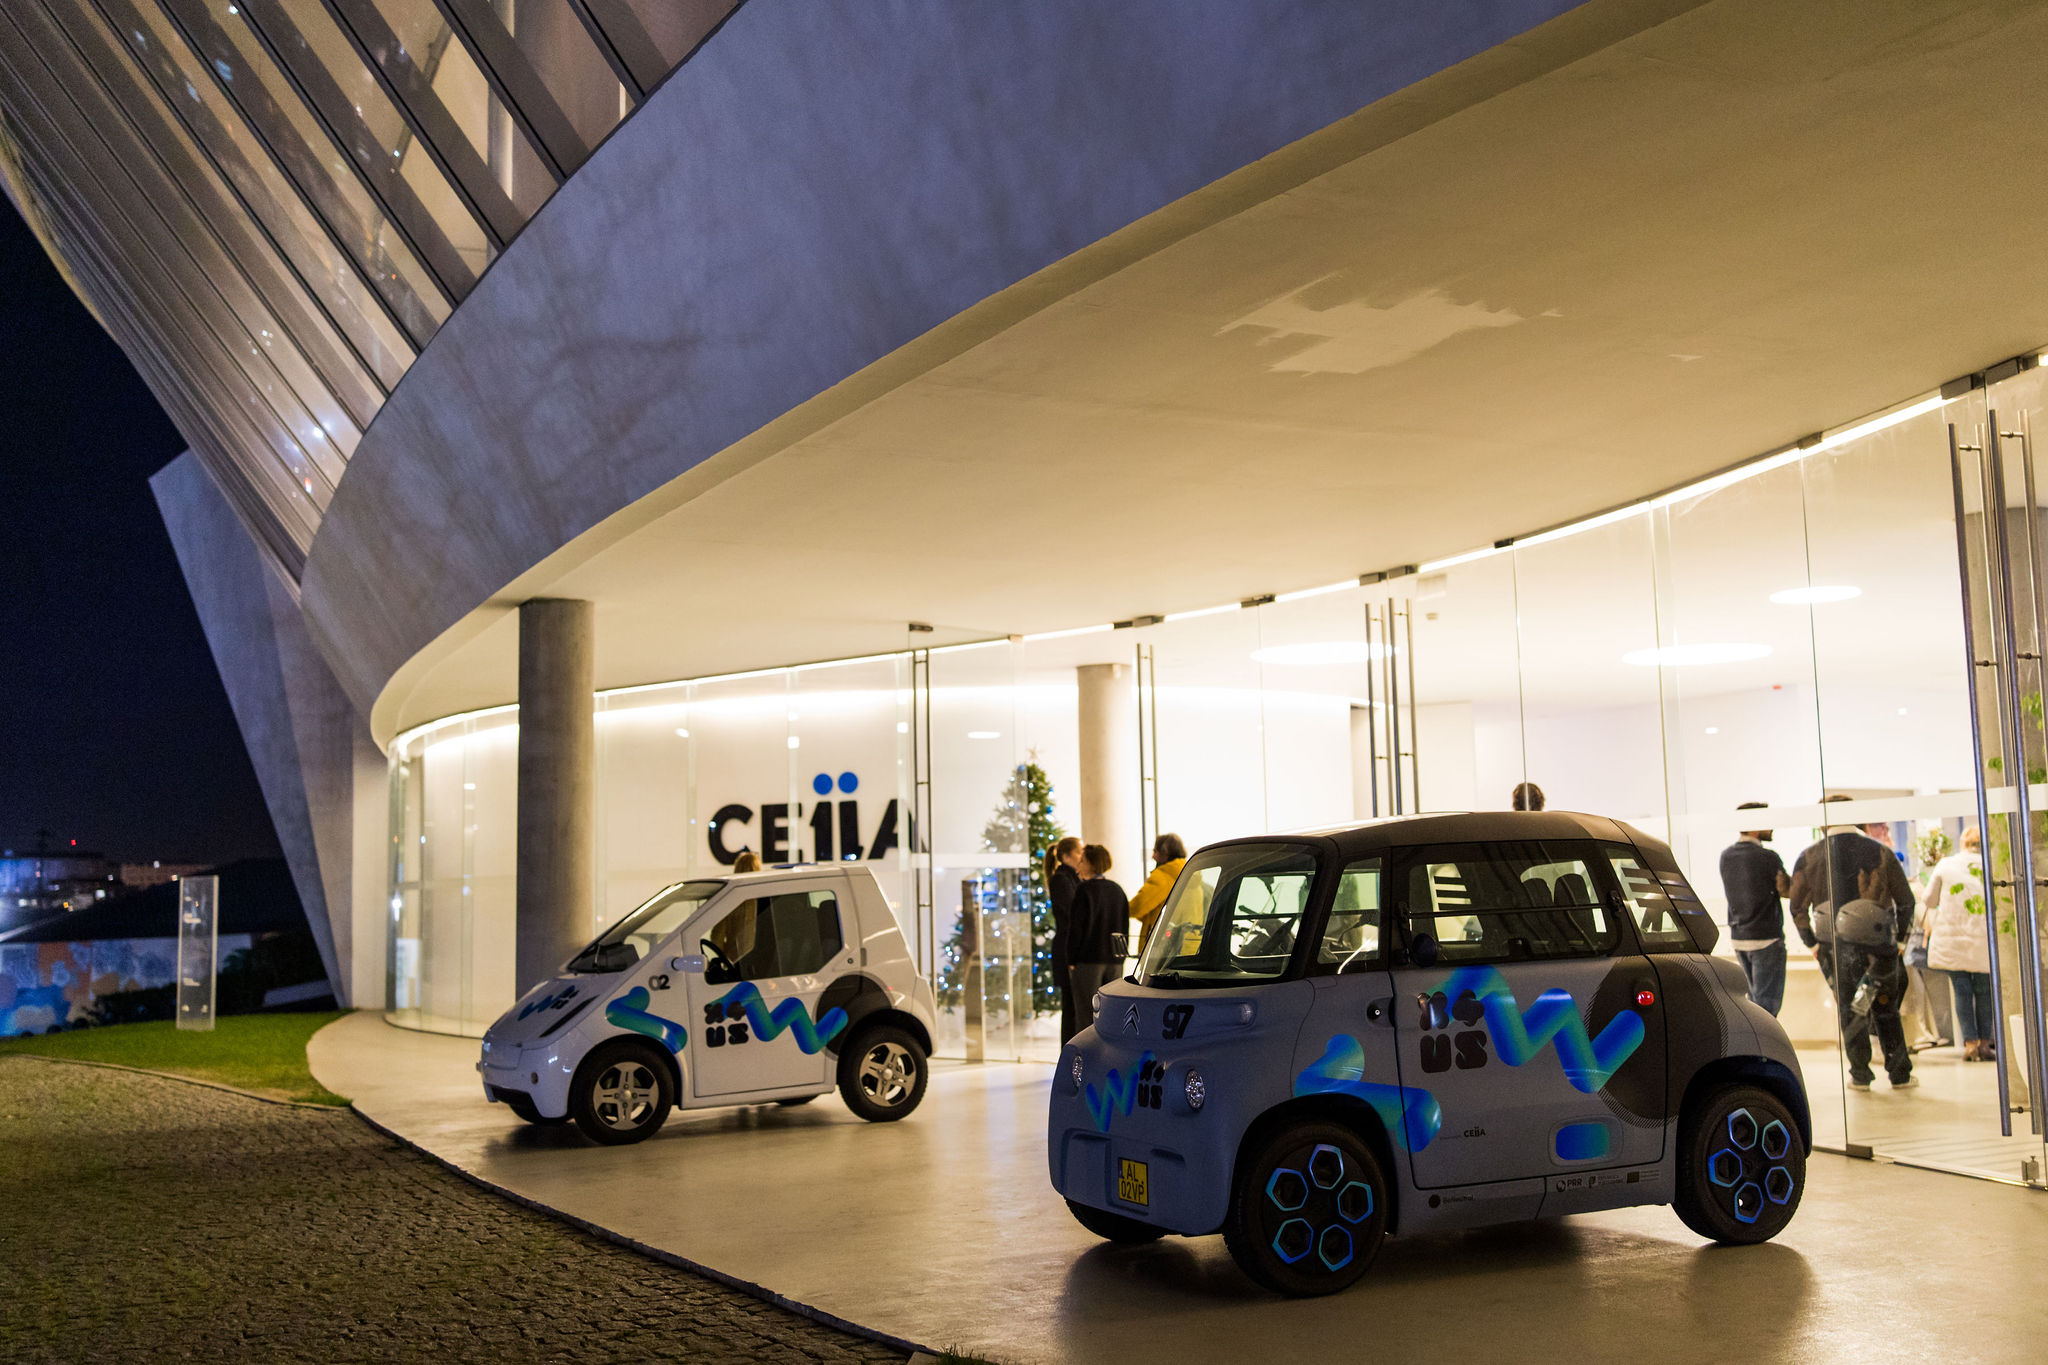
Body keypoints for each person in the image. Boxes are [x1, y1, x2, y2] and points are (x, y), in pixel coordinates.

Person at [1788, 796, 1916, 1090]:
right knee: (1885, 1008)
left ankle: (1860, 1074)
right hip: (1880, 947)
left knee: (1850, 1009)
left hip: (1833, 947)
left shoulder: (1810, 856)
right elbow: (1906, 901)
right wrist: (1899, 941)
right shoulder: (1881, 852)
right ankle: (1899, 1074)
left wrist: (1813, 944)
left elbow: (1797, 908)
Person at [1924, 827, 1996, 1062]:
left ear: (1962, 842)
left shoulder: (1946, 865)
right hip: (1983, 939)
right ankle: (1985, 1044)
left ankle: (1970, 1044)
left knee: (1961, 992)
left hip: (1953, 940)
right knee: (1985, 993)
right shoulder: (1991, 864)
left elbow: (1929, 900)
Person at [1719, 802, 1792, 1015]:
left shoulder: (1726, 856)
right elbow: (1786, 890)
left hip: (1739, 938)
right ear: (1754, 826)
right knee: (1767, 1009)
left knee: (1753, 1006)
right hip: (1766, 939)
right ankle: (1763, 1039)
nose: (1771, 827)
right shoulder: (1768, 857)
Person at [1065, 844, 1128, 1043]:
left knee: (1086, 1015)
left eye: (1082, 860)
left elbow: (1076, 928)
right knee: (1111, 1014)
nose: (1079, 865)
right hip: (1114, 961)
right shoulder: (1117, 890)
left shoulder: (1084, 890)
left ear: (1091, 863)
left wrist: (1071, 959)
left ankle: (1087, 1056)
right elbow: (1124, 926)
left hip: (1088, 960)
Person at [1045, 836, 1084, 1043]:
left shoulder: (1072, 878)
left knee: (1073, 1006)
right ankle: (1069, 1052)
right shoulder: (1061, 879)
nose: (1082, 856)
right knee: (1070, 1008)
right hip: (1067, 948)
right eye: (1079, 852)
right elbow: (1072, 911)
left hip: (1070, 945)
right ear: (1067, 856)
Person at [1128, 833, 1188, 957]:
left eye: (1155, 851)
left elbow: (1138, 907)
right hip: (1186, 944)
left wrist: (1120, 908)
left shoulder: (1163, 876)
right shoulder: (1191, 873)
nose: (1153, 856)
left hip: (1160, 946)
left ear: (1165, 853)